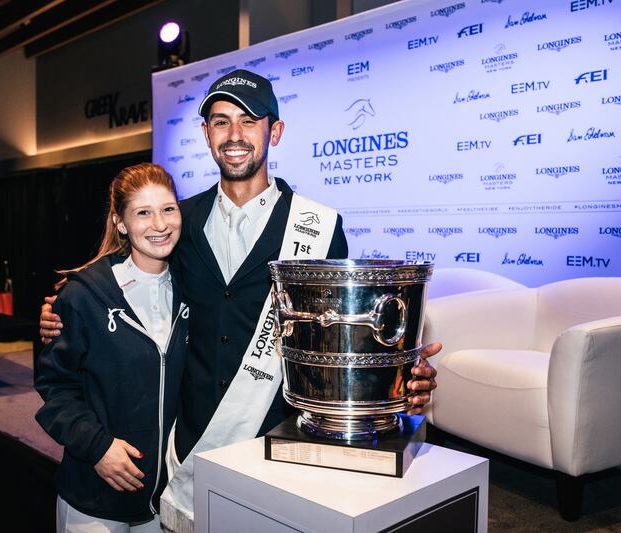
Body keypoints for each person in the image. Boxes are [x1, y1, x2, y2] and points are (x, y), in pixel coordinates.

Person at [40, 70, 439, 531]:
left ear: (276, 130)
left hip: (273, 441)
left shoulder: (319, 227)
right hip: (185, 440)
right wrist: (60, 309)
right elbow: (121, 279)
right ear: (206, 133)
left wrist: (402, 374)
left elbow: (344, 333)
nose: (234, 135)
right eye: (221, 121)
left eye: (249, 121)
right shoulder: (178, 221)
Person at [34, 163, 190, 533]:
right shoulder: (84, 296)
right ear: (120, 222)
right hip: (96, 491)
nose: (160, 224)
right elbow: (55, 387)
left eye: (168, 209)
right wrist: (97, 446)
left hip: (164, 496)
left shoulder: (194, 290)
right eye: (143, 212)